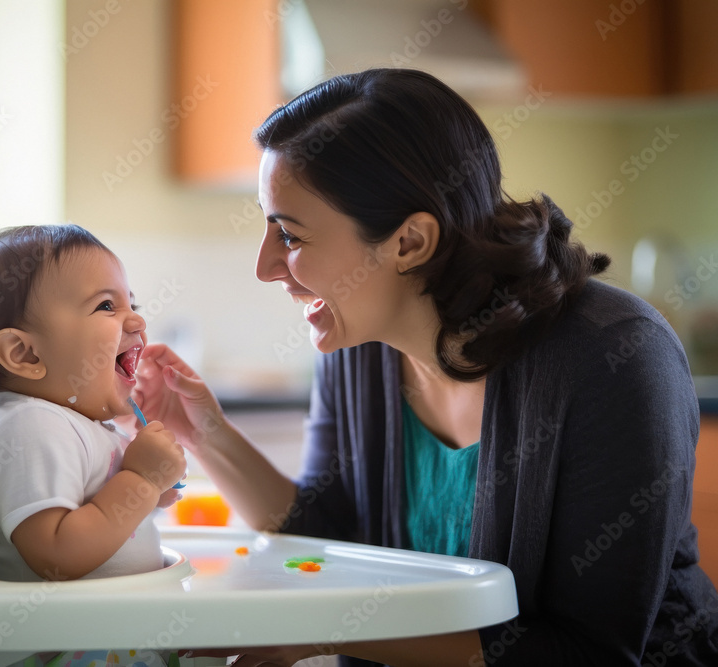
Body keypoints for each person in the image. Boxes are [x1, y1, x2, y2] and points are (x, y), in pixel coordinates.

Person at [130, 69, 718, 666]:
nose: (265, 267)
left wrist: (329, 630)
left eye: (290, 234)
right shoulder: (357, 341)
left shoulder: (614, 358)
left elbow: (590, 653)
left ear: (410, 242)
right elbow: (325, 535)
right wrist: (204, 432)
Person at [0, 224, 186, 667]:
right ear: (25, 354)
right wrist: (140, 481)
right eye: (106, 306)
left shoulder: (77, 422)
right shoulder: (30, 425)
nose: (136, 320)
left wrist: (153, 491)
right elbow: (56, 553)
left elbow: (102, 517)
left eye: (132, 304)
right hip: (63, 653)